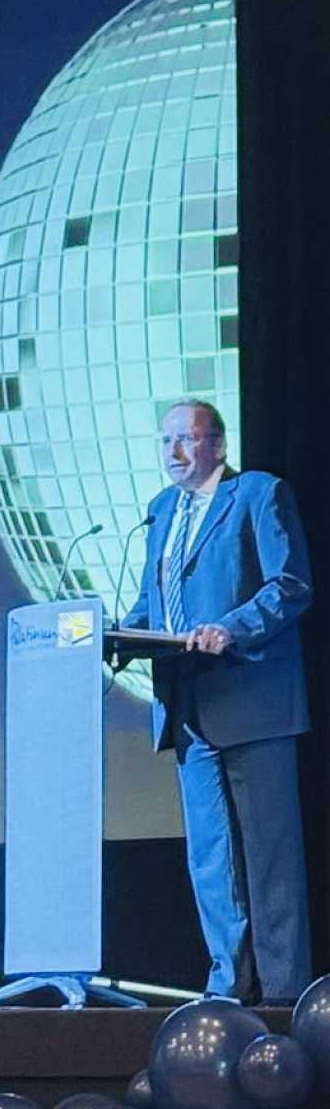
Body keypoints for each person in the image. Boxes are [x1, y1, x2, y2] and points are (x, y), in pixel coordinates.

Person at [121, 398, 313, 1005]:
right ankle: (228, 984)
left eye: (186, 438)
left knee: (270, 857)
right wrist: (114, 636)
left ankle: (282, 994)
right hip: (187, 708)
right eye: (166, 441)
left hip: (252, 698)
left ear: (218, 446)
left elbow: (290, 585)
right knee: (210, 858)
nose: (174, 452)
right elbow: (153, 604)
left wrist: (231, 627)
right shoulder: (161, 511)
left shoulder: (256, 494)